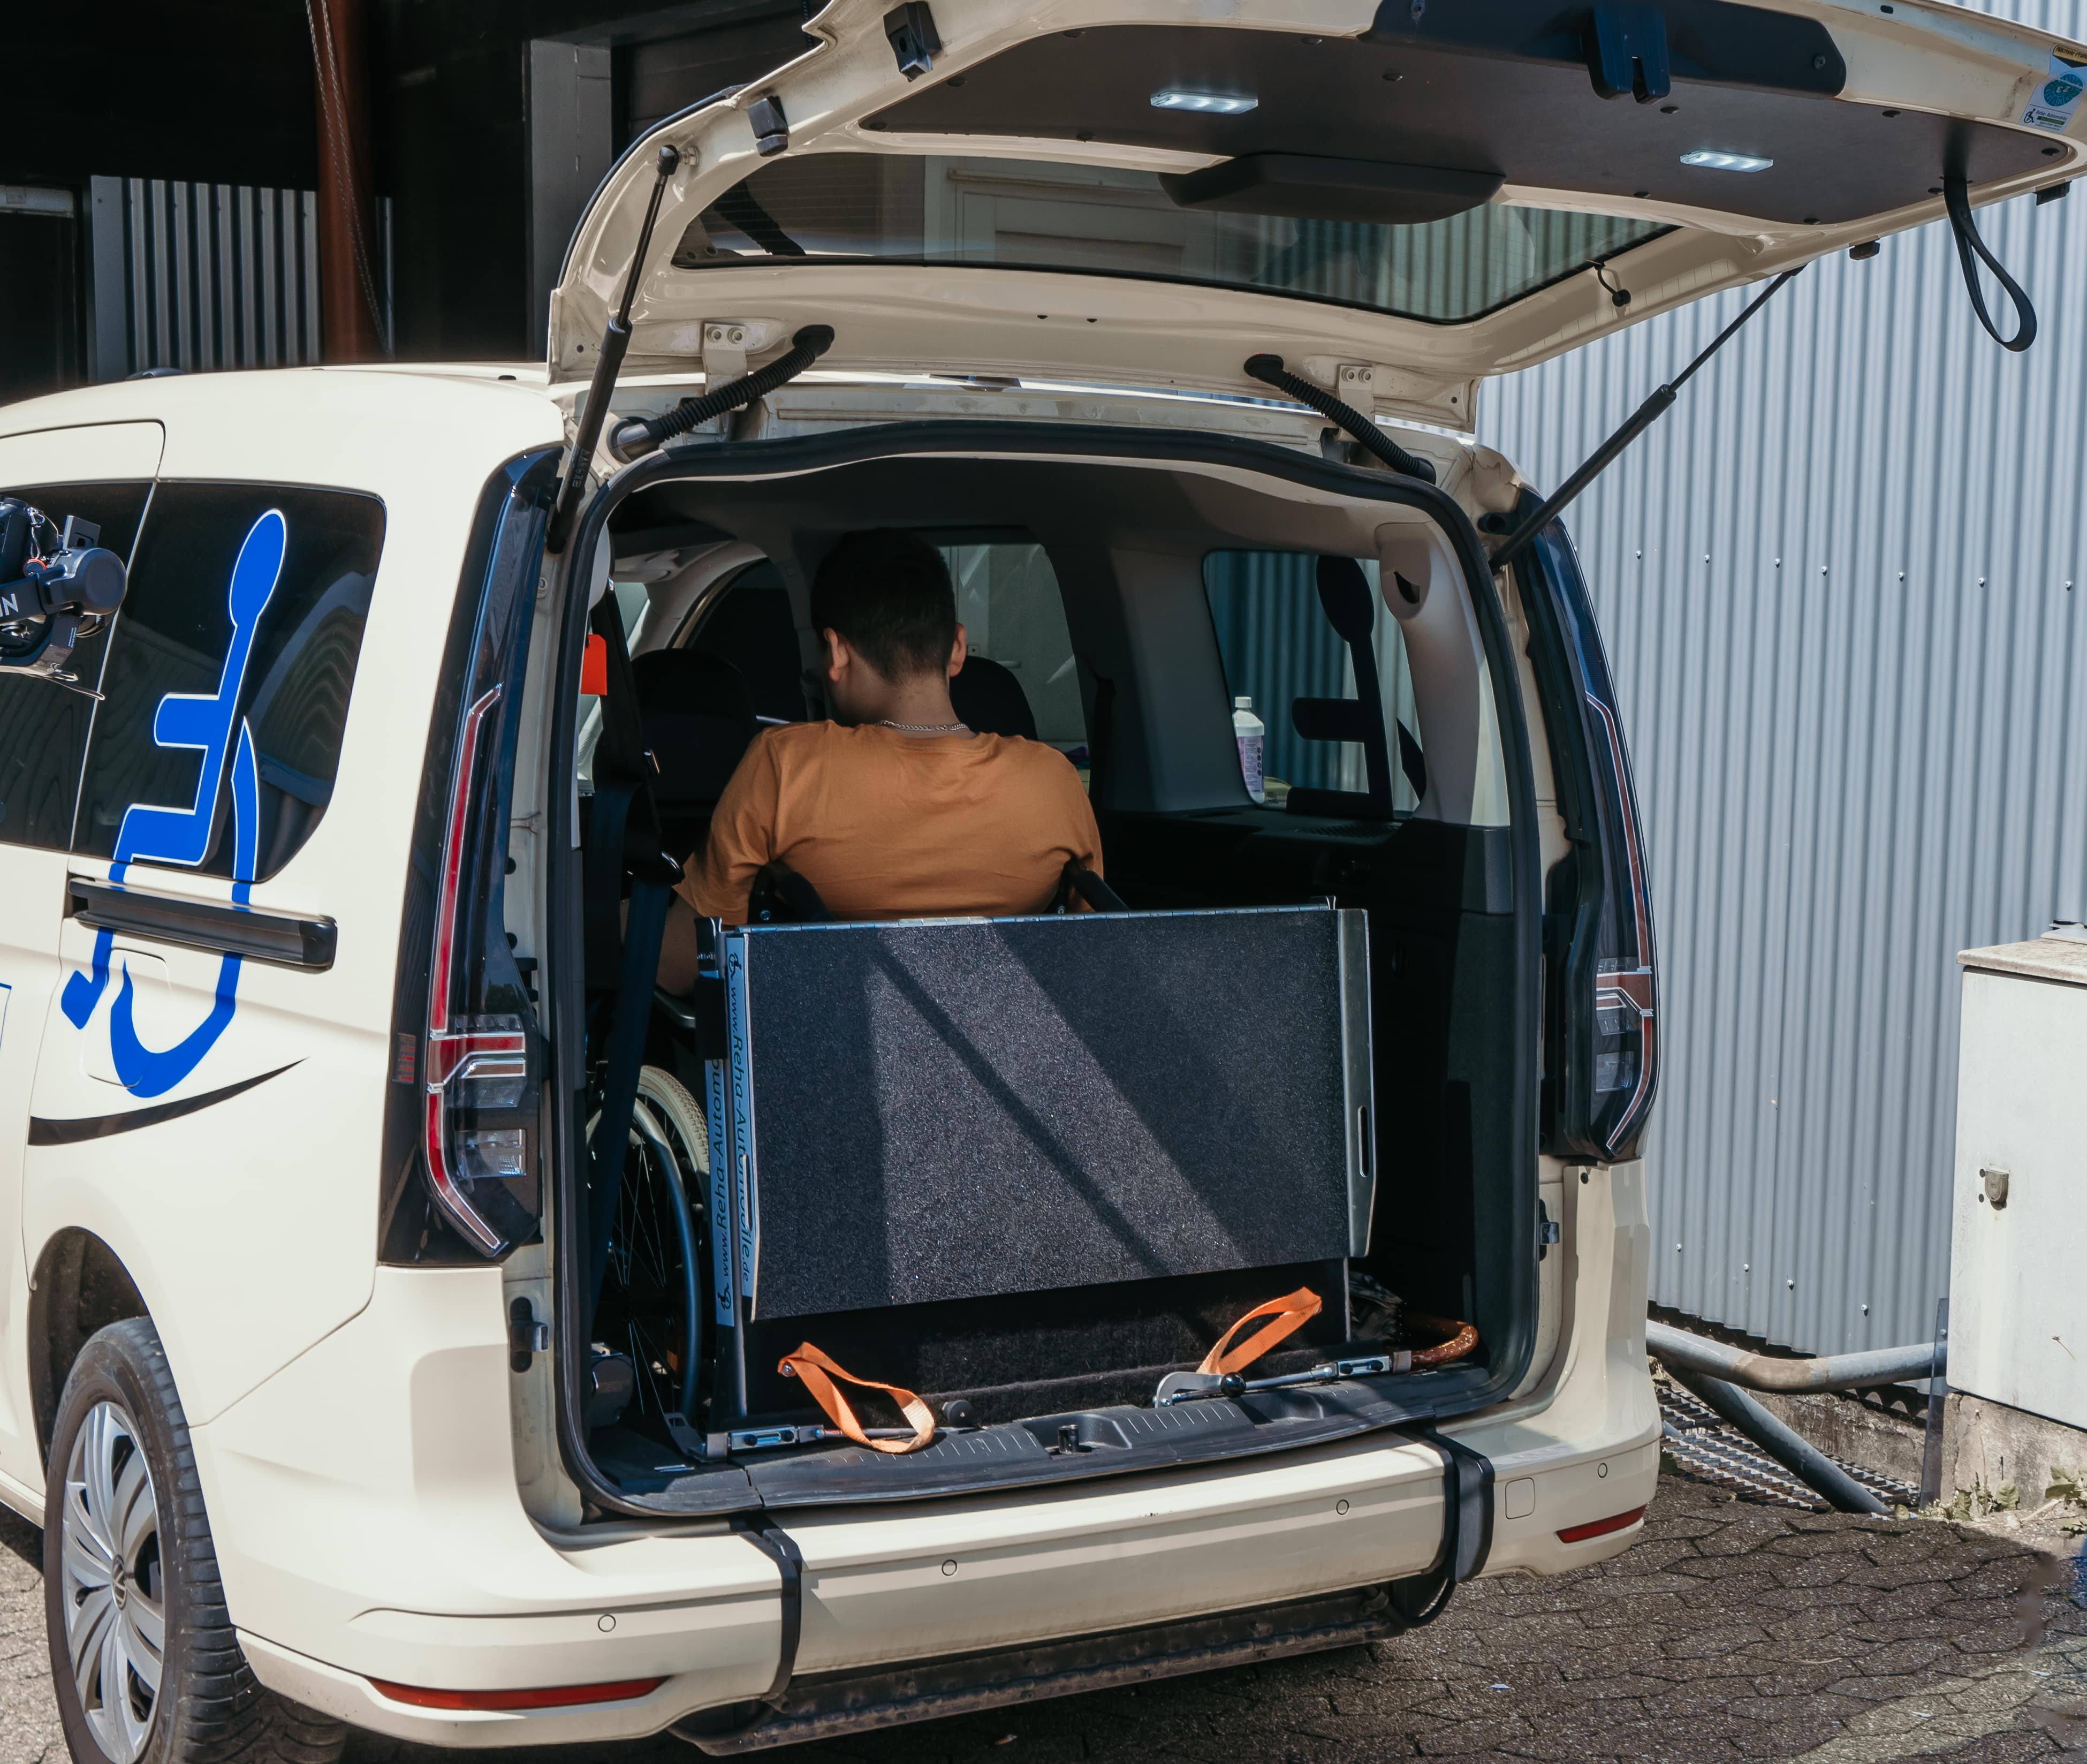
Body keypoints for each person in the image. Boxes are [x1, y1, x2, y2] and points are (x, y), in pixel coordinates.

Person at [655, 529, 1103, 988]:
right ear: (956, 647)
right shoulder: (1053, 780)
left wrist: (615, 913)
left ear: (835, 652)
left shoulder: (786, 766)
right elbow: (1091, 957)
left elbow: (682, 964)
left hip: (833, 1048)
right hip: (1017, 1051)